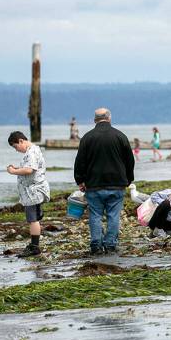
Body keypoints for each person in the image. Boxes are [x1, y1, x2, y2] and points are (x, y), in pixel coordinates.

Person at [73, 108, 135, 255]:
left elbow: (79, 161)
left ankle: (96, 245)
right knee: (113, 215)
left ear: (95, 120)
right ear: (109, 118)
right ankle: (110, 244)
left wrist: (80, 180)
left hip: (94, 184)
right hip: (117, 183)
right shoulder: (120, 136)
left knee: (95, 215)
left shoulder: (87, 137)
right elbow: (129, 161)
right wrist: (128, 179)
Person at [6, 131, 50, 257]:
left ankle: (35, 247)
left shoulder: (31, 152)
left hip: (33, 192)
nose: (16, 150)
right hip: (32, 192)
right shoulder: (32, 150)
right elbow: (28, 168)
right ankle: (34, 245)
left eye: (15, 146)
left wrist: (13, 171)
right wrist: (17, 169)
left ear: (21, 141)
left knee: (33, 220)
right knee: (34, 218)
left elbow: (29, 169)